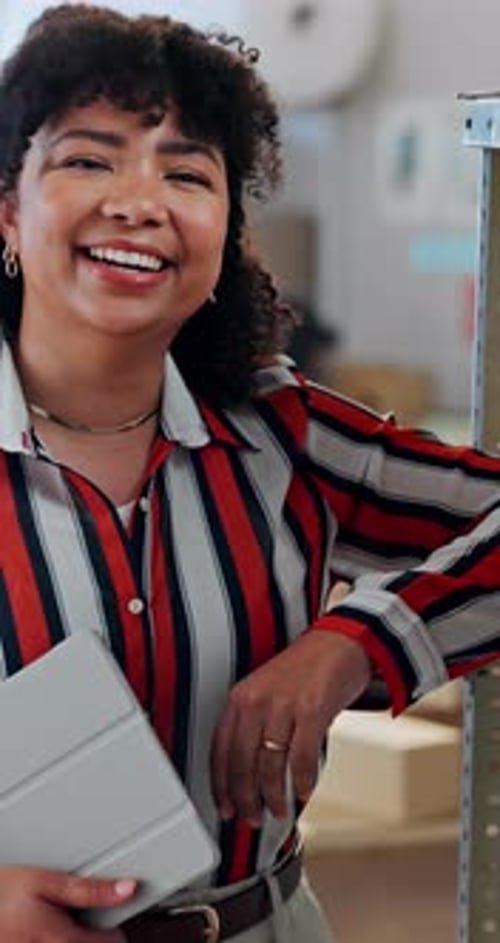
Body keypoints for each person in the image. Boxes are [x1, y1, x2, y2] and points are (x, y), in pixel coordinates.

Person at [0, 5, 499, 942]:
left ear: (223, 232)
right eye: (88, 159)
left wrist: (358, 637)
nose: (140, 200)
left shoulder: (286, 436)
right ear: (7, 212)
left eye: (187, 172)